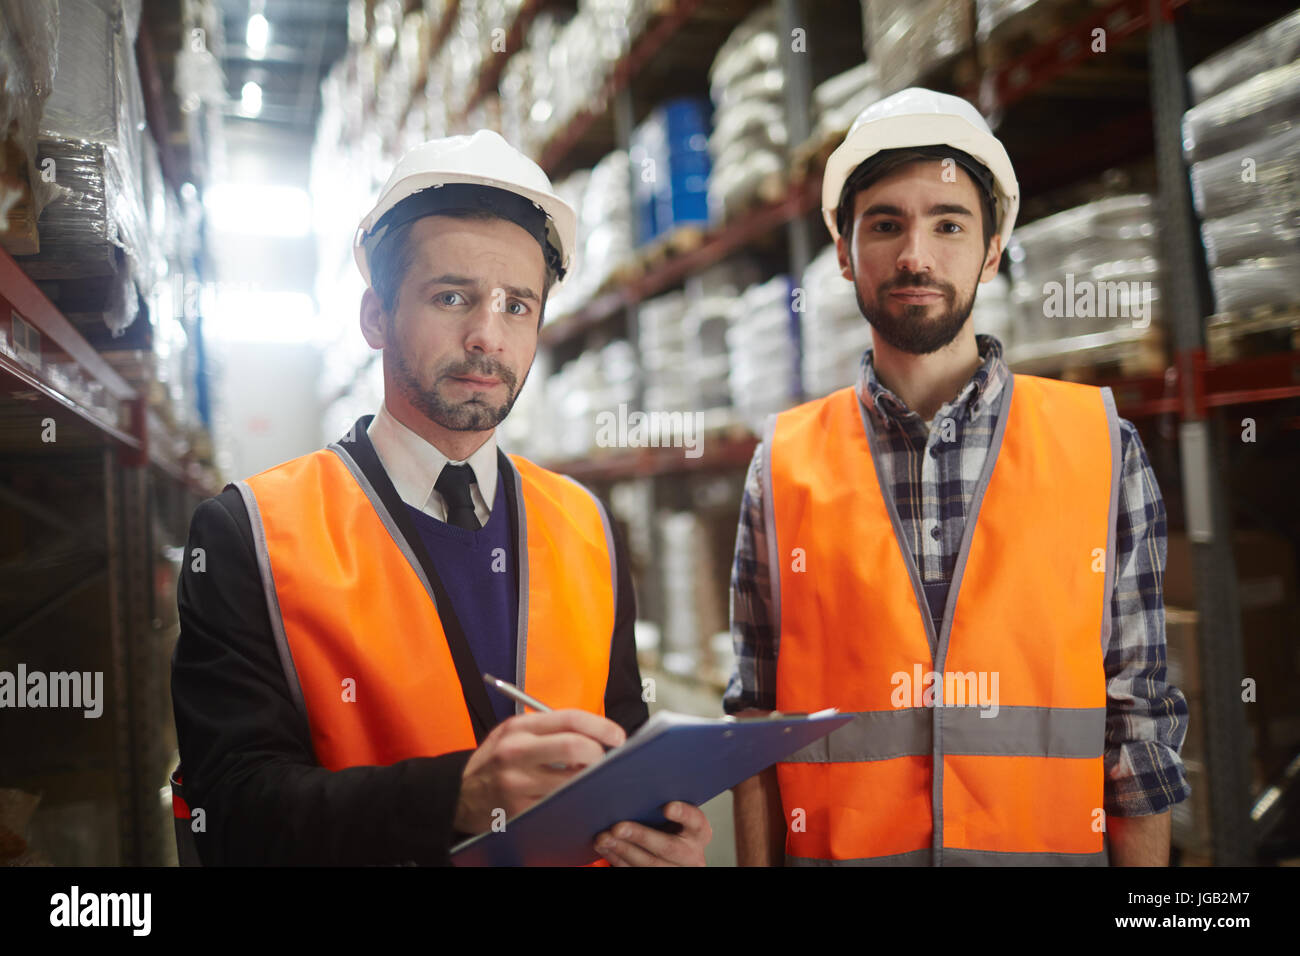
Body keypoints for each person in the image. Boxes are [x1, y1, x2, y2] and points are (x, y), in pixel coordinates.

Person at [171, 130, 711, 866]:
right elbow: (230, 809)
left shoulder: (586, 523)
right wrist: (453, 798)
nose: (487, 336)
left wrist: (656, 827)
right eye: (451, 296)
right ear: (374, 317)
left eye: (517, 305)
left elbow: (620, 734)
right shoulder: (251, 535)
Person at [725, 88, 1190, 866]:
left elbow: (1139, 730)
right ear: (843, 254)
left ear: (993, 249)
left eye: (949, 223)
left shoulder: (1102, 446)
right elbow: (753, 728)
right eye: (885, 224)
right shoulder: (783, 467)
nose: (916, 256)